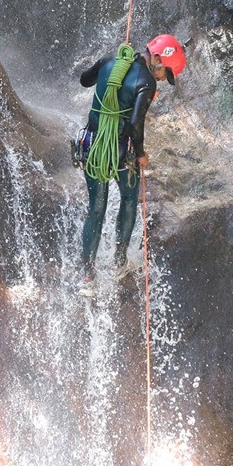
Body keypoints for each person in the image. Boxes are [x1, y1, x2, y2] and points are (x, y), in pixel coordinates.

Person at [74, 34, 186, 295]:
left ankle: (87, 276)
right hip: (120, 150)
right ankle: (119, 262)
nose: (162, 78)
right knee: (128, 198)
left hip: (92, 144)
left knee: (96, 208)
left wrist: (111, 73)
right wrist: (141, 153)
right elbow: (136, 123)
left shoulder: (109, 61)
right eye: (164, 72)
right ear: (157, 58)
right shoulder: (146, 82)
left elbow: (84, 81)